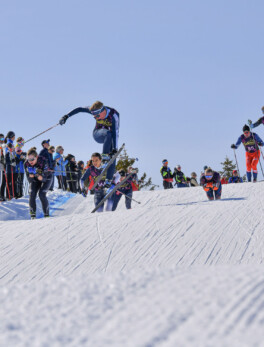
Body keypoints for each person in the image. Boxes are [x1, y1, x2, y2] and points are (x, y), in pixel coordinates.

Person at [59, 101, 120, 182]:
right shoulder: (93, 110)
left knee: (113, 154)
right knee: (107, 133)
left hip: (110, 138)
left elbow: (116, 133)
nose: (96, 118)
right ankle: (104, 157)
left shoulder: (114, 115)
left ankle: (108, 180)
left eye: (97, 116)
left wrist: (115, 149)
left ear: (103, 111)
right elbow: (80, 109)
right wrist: (66, 116)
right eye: (94, 117)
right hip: (98, 134)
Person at [24, 148, 51, 219]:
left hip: (47, 178)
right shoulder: (26, 164)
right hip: (36, 179)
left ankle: (46, 214)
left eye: (32, 159)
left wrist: (39, 175)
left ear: (37, 157)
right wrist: (31, 176)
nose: (30, 161)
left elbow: (44, 179)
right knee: (32, 193)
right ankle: (33, 215)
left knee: (41, 194)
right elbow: (29, 180)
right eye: (29, 159)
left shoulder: (43, 161)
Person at [0, 133, 6, 201]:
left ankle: (2, 195)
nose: (2, 140)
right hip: (0, 166)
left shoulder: (3, 146)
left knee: (4, 181)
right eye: (0, 138)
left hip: (3, 166)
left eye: (2, 138)